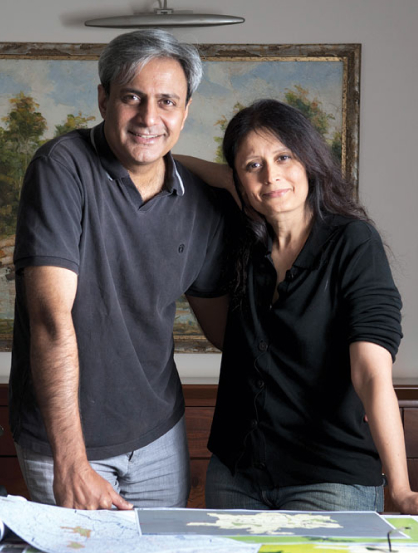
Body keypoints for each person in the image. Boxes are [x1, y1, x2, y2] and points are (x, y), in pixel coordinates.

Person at [8, 29, 229, 511]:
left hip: (159, 435)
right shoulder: (61, 168)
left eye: (167, 101)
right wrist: (72, 463)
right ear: (104, 99)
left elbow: (224, 331)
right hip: (67, 442)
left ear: (186, 110)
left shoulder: (200, 202)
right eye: (133, 97)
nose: (149, 117)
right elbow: (50, 321)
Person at [177, 98, 418, 513]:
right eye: (253, 165)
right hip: (234, 476)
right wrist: (172, 157)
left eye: (284, 157)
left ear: (309, 160)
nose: (271, 176)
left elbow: (371, 373)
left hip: (329, 480)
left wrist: (399, 488)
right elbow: (180, 167)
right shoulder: (243, 239)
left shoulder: (353, 242)